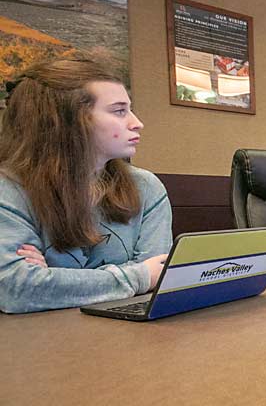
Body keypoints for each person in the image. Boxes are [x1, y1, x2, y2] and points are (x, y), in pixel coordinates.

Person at [0, 56, 173, 314]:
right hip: (40, 342)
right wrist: (136, 277)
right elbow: (16, 290)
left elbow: (158, 275)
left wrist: (55, 279)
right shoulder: (10, 189)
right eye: (119, 111)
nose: (137, 123)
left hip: (128, 337)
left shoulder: (146, 187)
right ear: (66, 121)